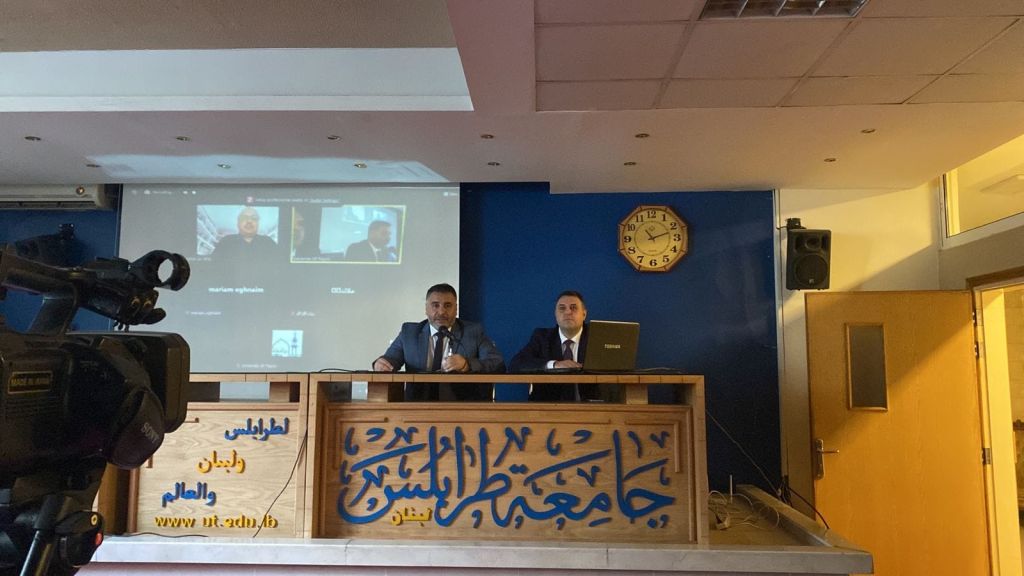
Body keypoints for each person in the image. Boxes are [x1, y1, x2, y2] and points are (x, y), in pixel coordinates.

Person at [373, 283, 504, 401]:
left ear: (456, 309)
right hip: (417, 408)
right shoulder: (409, 333)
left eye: (448, 306)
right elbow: (391, 360)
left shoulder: (473, 332)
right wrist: (381, 364)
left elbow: (497, 364)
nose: (441, 312)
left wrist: (466, 364)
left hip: (462, 408)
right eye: (435, 305)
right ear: (426, 309)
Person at [509, 290, 599, 402]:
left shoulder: (597, 337)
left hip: (593, 407)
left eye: (573, 308)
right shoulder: (542, 337)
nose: (568, 312)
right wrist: (554, 365)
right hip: (548, 406)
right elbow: (515, 364)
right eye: (562, 308)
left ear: (584, 314)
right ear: (555, 314)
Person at [212, 206, 278, 262]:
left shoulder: (268, 242)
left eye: (254, 218)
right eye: (244, 218)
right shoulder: (226, 241)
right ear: (238, 223)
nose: (249, 221)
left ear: (258, 223)